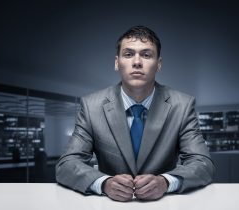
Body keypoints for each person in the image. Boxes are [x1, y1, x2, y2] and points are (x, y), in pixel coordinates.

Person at [56, 25, 215, 202]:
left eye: (146, 55)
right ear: (117, 63)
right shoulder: (91, 106)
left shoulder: (182, 105)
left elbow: (202, 164)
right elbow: (67, 164)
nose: (137, 62)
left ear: (159, 64)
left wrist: (166, 182)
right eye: (128, 54)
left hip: (164, 204)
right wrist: (103, 183)